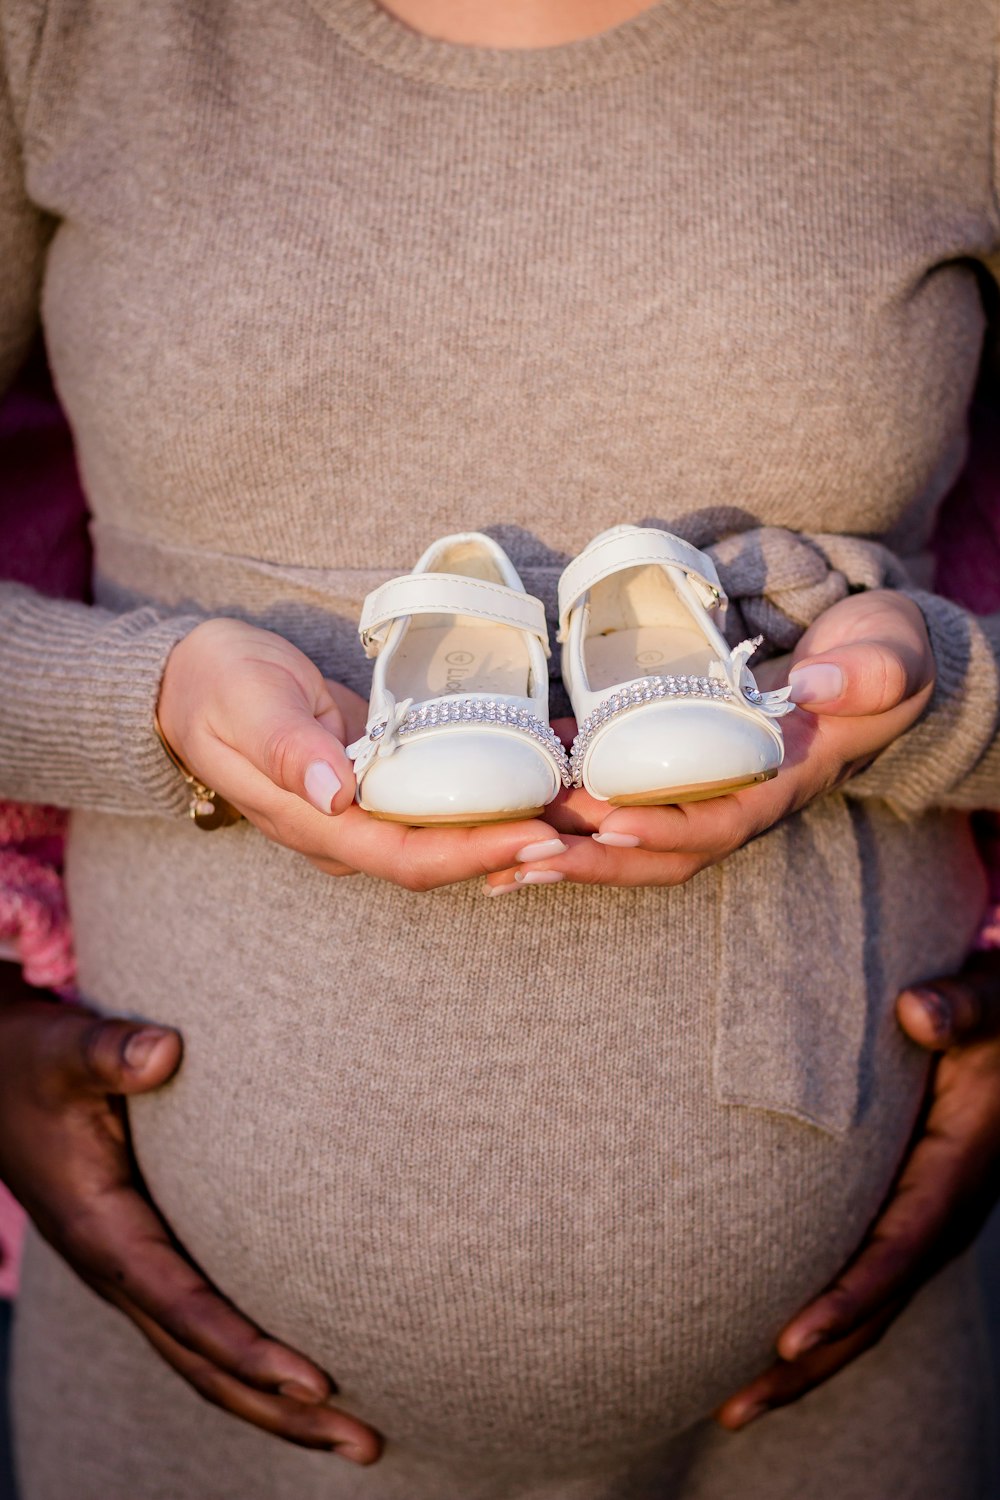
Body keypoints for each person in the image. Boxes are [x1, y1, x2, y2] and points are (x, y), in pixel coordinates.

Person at [1, 1, 999, 1496]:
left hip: (838, 1410)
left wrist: (944, 703)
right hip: (188, 1416)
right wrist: (140, 700)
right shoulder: (68, 26)